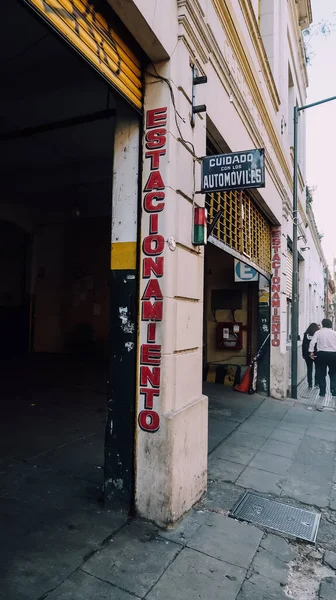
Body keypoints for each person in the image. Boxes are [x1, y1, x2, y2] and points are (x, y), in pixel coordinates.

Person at [309, 319, 336, 397]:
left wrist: (311, 352)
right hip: (333, 355)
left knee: (321, 373)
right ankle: (333, 390)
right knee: (333, 373)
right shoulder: (334, 333)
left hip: (322, 354)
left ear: (323, 324)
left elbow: (312, 342)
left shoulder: (318, 333)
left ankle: (322, 391)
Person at [302, 322, 319, 388]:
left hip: (307, 354)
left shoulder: (306, 334)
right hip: (316, 353)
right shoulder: (317, 334)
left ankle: (310, 384)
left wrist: (303, 354)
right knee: (317, 369)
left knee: (309, 369)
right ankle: (316, 384)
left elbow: (303, 345)